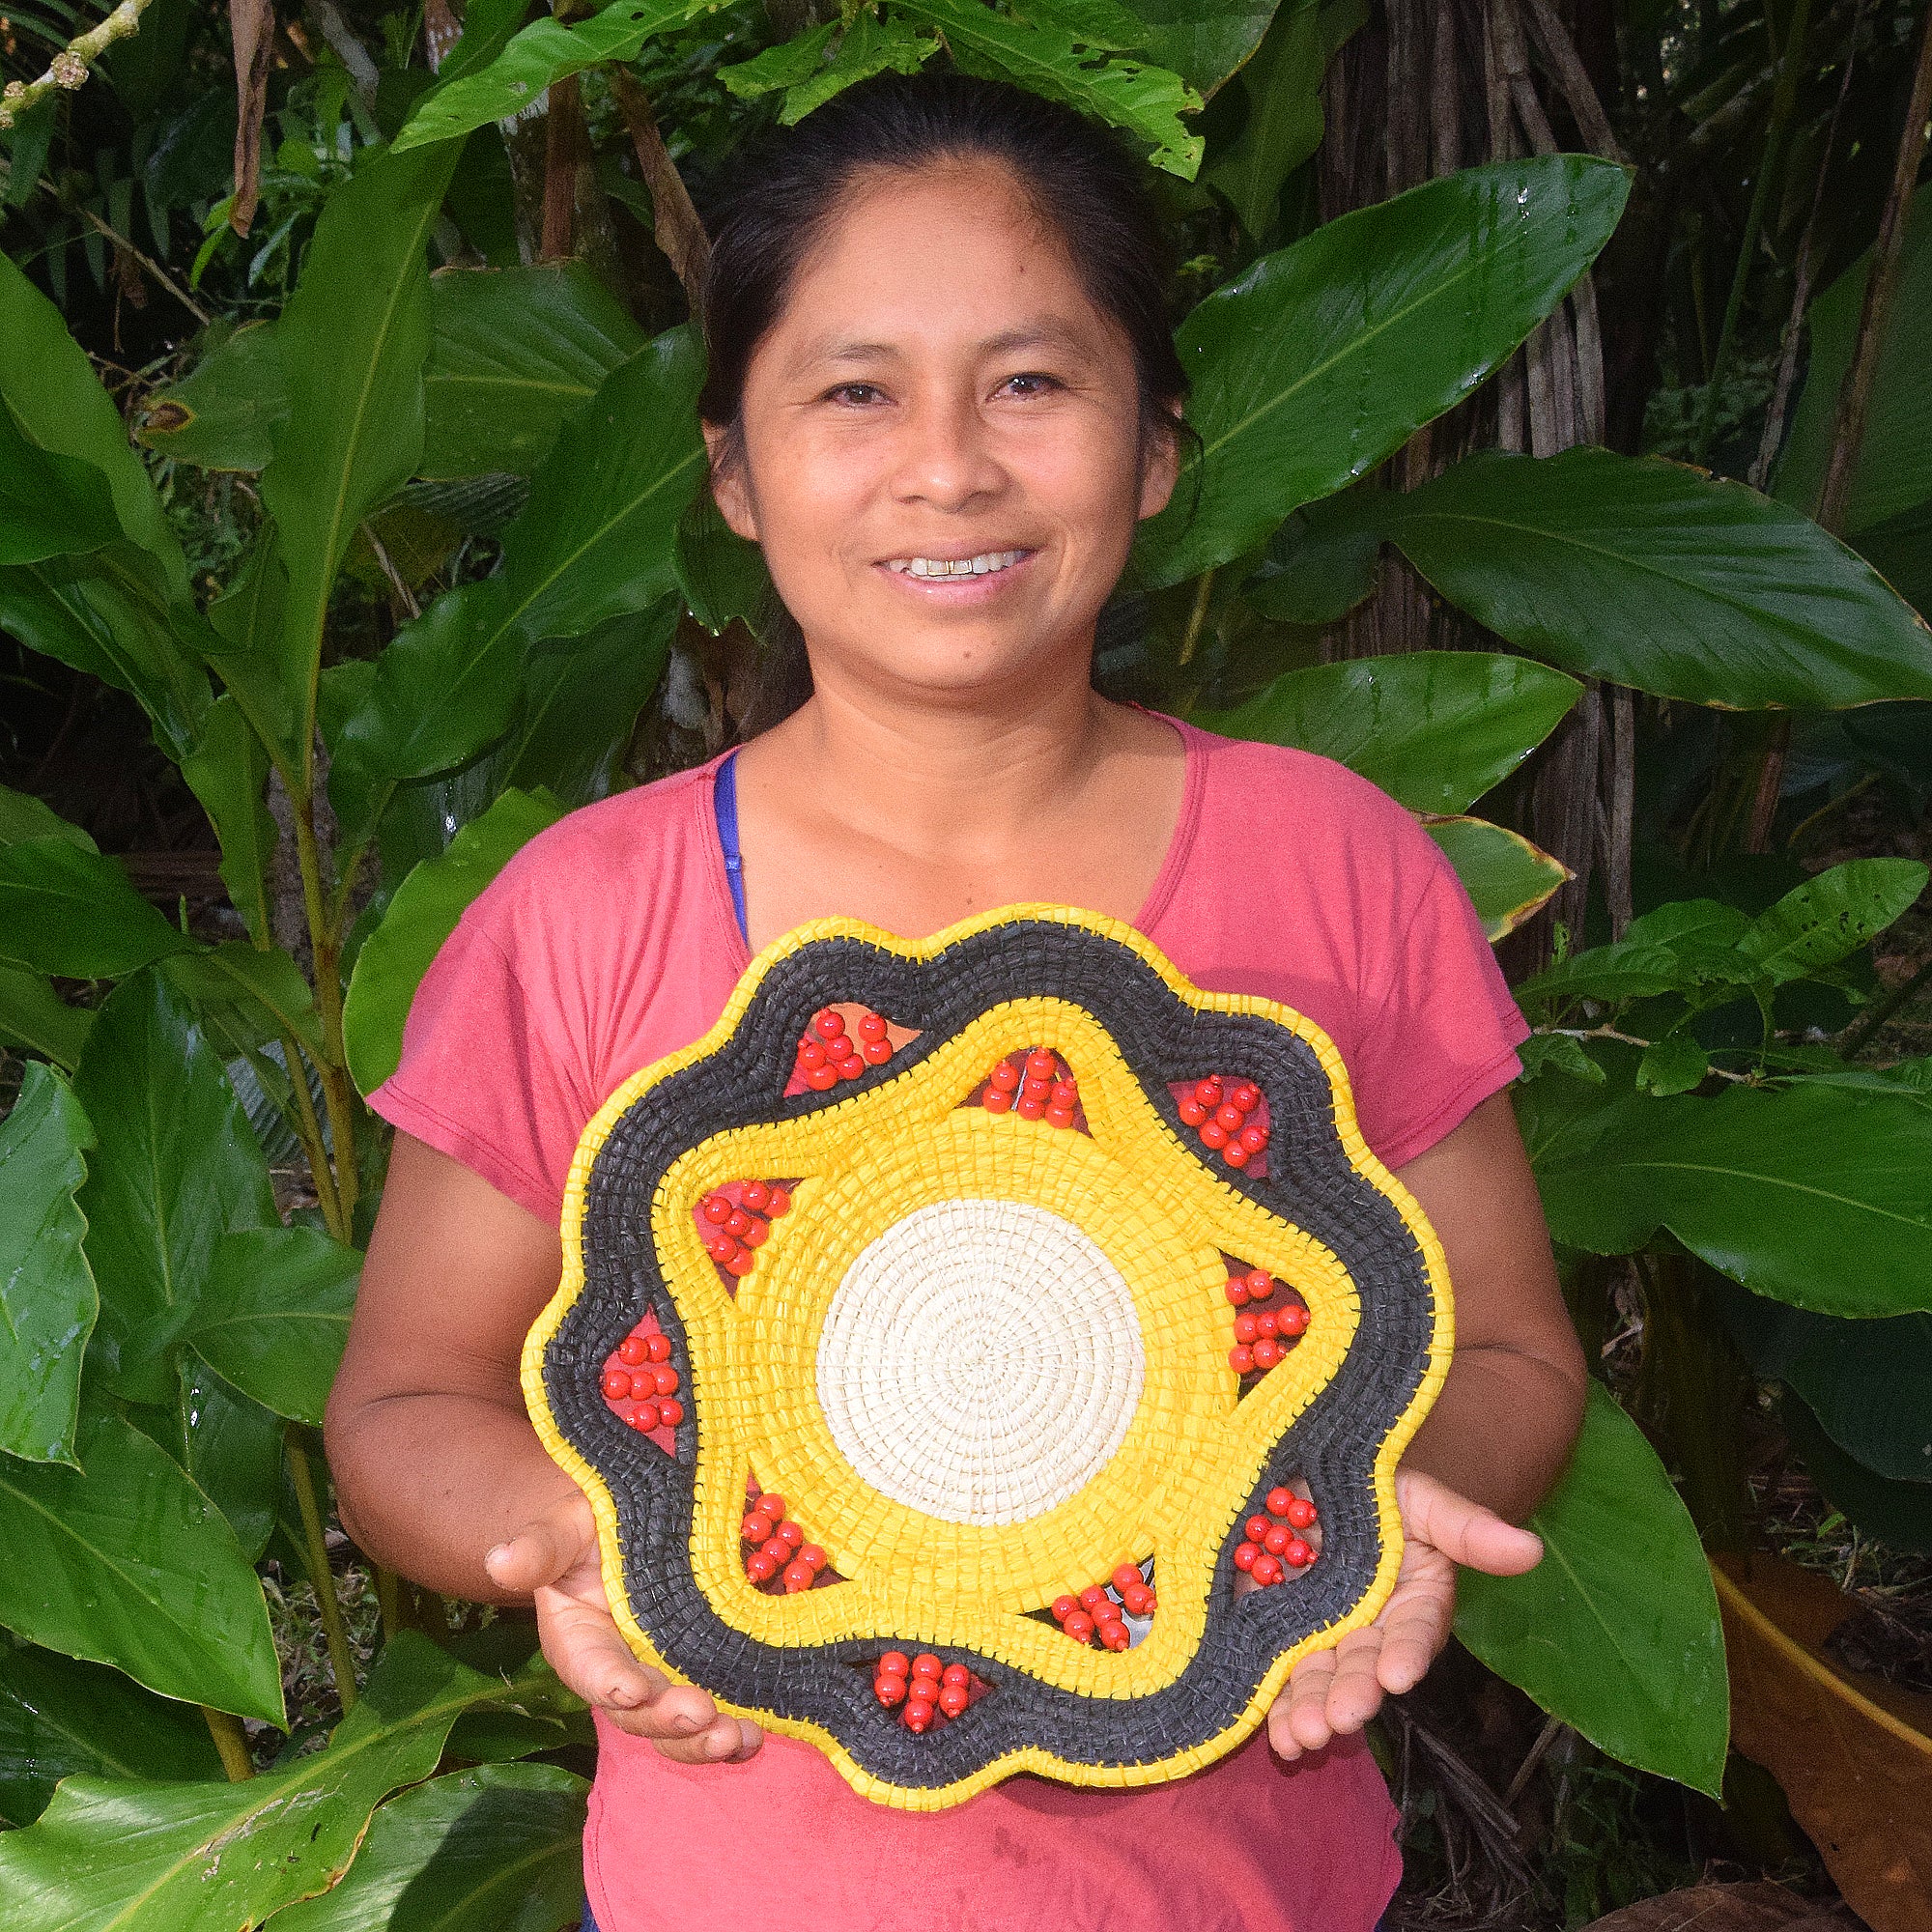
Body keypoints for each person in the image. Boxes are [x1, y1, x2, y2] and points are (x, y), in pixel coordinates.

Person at [327, 71, 1585, 1932]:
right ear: (735, 476)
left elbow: (1511, 1357)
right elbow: (405, 1405)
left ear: (1158, 447)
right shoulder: (589, 919)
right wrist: (610, 1535)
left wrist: (1374, 1495)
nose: (948, 465)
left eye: (1031, 381)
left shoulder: (1335, 868)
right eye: (854, 391)